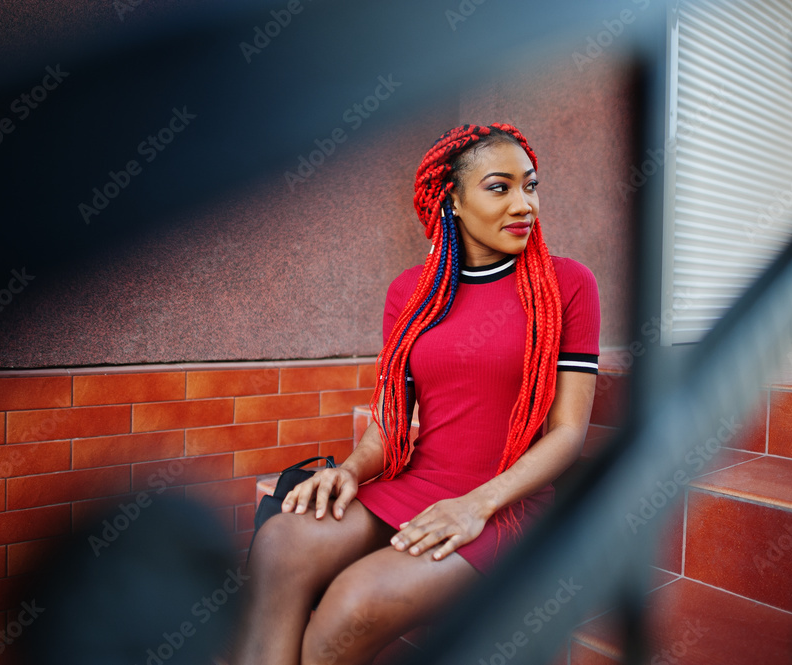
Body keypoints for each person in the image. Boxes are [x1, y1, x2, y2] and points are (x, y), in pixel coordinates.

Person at [231, 123, 600, 665]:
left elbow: (569, 434)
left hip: (504, 505)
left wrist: (475, 506)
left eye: (531, 185)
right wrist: (351, 471)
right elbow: (392, 415)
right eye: (500, 187)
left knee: (353, 604)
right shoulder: (412, 292)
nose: (524, 204)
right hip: (415, 484)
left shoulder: (565, 285)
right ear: (451, 197)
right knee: (280, 543)